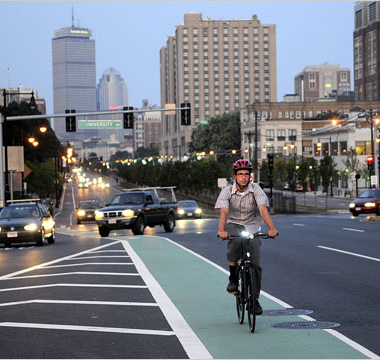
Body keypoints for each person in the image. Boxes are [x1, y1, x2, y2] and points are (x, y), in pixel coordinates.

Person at [215, 159, 278, 315]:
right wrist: (221, 230)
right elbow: (223, 212)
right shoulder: (226, 191)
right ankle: (233, 278)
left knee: (255, 263)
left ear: (250, 176)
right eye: (240, 174)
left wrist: (272, 228)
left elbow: (262, 209)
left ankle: (254, 301)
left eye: (246, 174)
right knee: (233, 245)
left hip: (252, 225)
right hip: (233, 223)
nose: (243, 177)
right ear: (235, 176)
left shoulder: (256, 190)